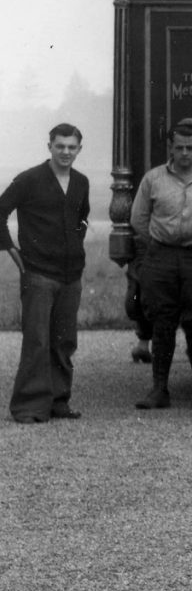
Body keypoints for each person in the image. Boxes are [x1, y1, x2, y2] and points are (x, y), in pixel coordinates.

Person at [131, 122, 192, 410]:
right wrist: (159, 247)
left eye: (190, 147)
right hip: (161, 258)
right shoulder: (153, 179)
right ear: (170, 148)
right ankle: (159, 389)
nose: (184, 153)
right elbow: (139, 219)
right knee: (162, 323)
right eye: (179, 147)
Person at [1, 123, 91, 423]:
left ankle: (58, 402)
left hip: (71, 275)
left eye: (71, 147)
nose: (66, 152)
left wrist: (76, 245)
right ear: (49, 146)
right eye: (60, 146)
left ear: (79, 149)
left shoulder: (81, 182)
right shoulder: (29, 180)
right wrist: (13, 252)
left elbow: (82, 219)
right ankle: (29, 406)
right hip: (38, 273)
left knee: (64, 341)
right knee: (37, 341)